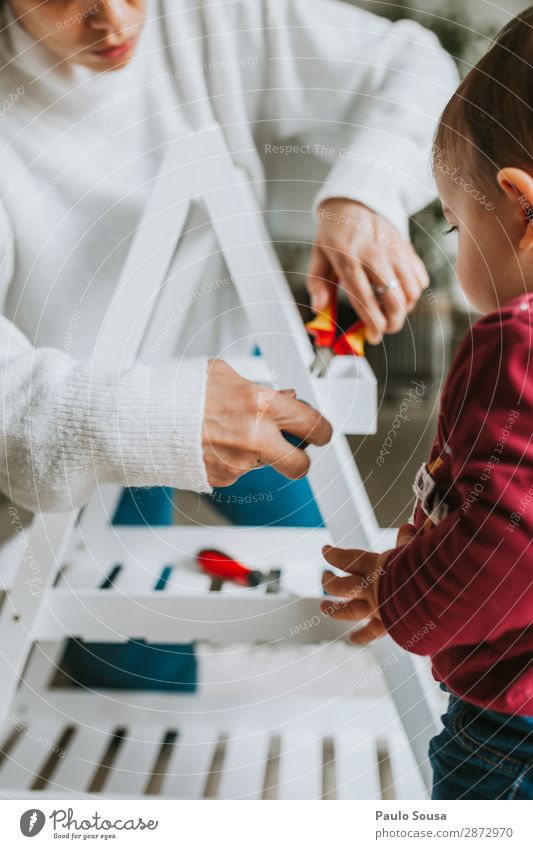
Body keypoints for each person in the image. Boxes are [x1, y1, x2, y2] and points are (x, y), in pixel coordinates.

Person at [0, 0, 456, 688]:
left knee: (359, 584)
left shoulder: (217, 13)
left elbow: (417, 66)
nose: (115, 24)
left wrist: (366, 193)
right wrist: (146, 421)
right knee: (135, 676)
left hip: (235, 365)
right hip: (84, 421)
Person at [321, 7, 533, 800]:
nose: (450, 236)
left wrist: (403, 596)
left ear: (517, 206)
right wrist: (418, 569)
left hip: (513, 732)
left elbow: (506, 541)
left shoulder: (516, 340)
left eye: (451, 220)